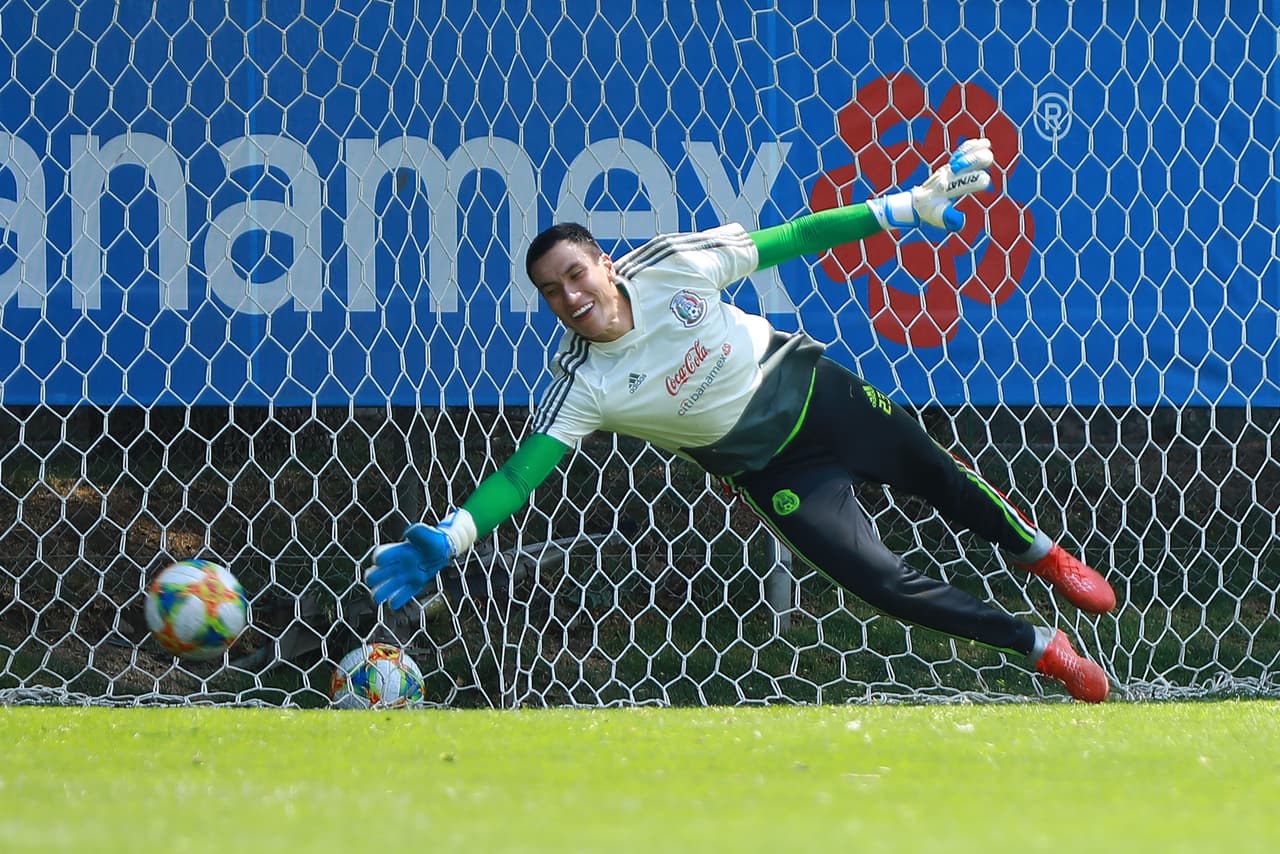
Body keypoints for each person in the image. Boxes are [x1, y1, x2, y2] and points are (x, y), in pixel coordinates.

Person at [366, 138, 1116, 703]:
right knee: (882, 583)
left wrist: (901, 209)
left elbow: (788, 239)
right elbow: (520, 471)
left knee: (939, 479)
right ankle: (1041, 645)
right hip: (769, 468)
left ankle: (1040, 555)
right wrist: (454, 533)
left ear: (604, 263)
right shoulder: (581, 381)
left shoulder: (670, 264)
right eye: (552, 291)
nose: (570, 295)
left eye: (576, 273)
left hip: (814, 392)